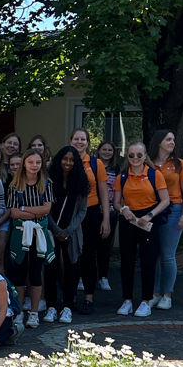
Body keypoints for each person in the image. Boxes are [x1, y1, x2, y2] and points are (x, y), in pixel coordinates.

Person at [113, 141, 170, 317]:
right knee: (127, 261)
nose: (135, 158)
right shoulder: (122, 177)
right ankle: (127, 300)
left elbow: (165, 200)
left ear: (145, 156)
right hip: (128, 220)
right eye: (131, 155)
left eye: (139, 155)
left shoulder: (154, 175)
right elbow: (116, 202)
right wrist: (123, 210)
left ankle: (146, 300)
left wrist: (149, 216)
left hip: (148, 219)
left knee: (148, 261)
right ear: (127, 157)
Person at [6, 148, 54, 328]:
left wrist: (25, 209)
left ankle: (33, 312)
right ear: (24, 163)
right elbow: (13, 212)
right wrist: (34, 211)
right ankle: (19, 311)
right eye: (31, 162)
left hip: (38, 233)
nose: (34, 166)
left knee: (35, 272)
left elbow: (47, 209)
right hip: (19, 233)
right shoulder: (15, 185)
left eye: (38, 162)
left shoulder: (46, 183)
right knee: (19, 272)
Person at [40, 146, 88, 325]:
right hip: (52, 231)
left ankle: (67, 306)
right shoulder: (49, 181)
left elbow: (82, 211)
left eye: (71, 160)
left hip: (72, 233)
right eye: (65, 159)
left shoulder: (82, 182)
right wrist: (55, 229)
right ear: (59, 159)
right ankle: (52, 306)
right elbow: (47, 208)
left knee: (72, 268)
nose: (68, 163)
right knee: (51, 267)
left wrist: (68, 230)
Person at [149, 129, 183, 310]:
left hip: (174, 210)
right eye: (168, 139)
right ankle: (153, 293)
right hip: (152, 210)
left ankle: (167, 294)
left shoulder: (179, 164)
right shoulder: (149, 163)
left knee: (168, 255)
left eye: (173, 139)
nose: (172, 142)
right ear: (159, 142)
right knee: (153, 255)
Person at [69, 128, 111, 314]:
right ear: (71, 141)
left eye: (83, 139)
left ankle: (88, 297)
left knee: (88, 256)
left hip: (91, 213)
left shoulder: (96, 164)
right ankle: (70, 299)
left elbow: (103, 193)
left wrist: (106, 220)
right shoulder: (66, 161)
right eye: (76, 139)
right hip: (69, 214)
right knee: (70, 256)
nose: (79, 142)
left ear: (88, 142)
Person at [94, 141, 120, 292]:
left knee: (105, 245)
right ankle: (85, 277)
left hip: (111, 211)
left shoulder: (116, 168)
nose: (107, 152)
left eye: (110, 150)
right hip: (94, 209)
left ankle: (103, 277)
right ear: (98, 151)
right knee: (90, 245)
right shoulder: (93, 166)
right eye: (104, 149)